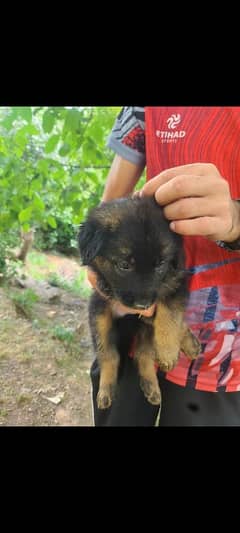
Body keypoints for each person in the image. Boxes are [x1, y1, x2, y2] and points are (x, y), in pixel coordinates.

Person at [88, 106, 240, 426]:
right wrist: (104, 266)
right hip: (131, 330)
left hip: (222, 350)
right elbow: (110, 207)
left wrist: (235, 219)